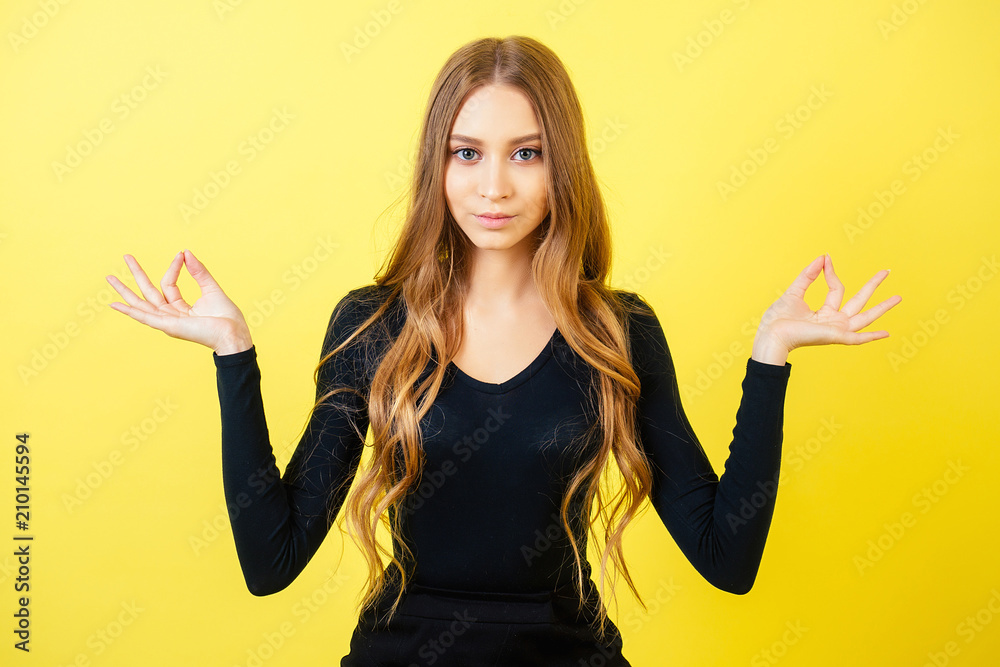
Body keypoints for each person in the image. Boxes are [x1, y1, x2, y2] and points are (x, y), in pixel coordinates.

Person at [107, 35, 900, 667]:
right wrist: (231, 352)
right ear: (438, 165)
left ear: (564, 165)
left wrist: (770, 360)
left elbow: (728, 558)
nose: (494, 187)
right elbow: (269, 561)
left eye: (526, 153)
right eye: (467, 153)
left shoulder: (617, 333)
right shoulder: (373, 326)